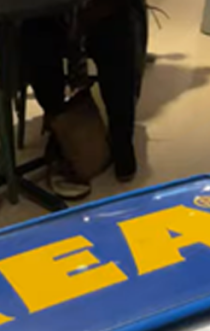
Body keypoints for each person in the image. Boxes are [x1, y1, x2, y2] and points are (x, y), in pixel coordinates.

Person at [21, 0, 145, 194]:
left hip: (101, 9)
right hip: (47, 14)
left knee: (118, 33)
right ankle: (61, 130)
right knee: (35, 39)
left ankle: (121, 138)